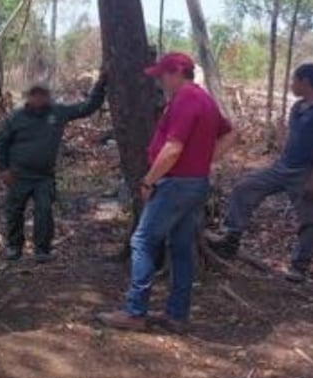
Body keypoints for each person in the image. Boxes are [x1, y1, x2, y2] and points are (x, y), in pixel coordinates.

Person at [96, 53, 234, 333]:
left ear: (176, 73)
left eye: (162, 75)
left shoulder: (186, 100)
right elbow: (230, 134)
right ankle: (177, 315)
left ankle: (135, 311)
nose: (159, 81)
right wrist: (204, 161)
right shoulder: (204, 99)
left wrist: (148, 181)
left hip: (176, 183)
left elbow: (173, 149)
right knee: (181, 246)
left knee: (143, 241)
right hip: (194, 182)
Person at [209, 63, 313, 282]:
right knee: (245, 187)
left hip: (305, 172)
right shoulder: (297, 107)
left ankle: (299, 268)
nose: (291, 84)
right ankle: (231, 238)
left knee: (308, 220)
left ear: (306, 81)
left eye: (294, 80)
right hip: (282, 166)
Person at [0, 72, 108, 262]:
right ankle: (14, 248)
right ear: (28, 96)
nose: (38, 98)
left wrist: (101, 85)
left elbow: (87, 108)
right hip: (18, 175)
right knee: (14, 211)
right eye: (34, 94)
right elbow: (0, 143)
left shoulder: (58, 112)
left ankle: (42, 250)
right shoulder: (15, 117)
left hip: (43, 176)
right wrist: (3, 169)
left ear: (48, 96)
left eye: (42, 94)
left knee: (44, 211)